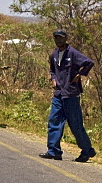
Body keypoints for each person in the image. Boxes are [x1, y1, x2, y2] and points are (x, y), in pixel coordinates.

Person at [40, 30, 96, 162]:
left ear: (66, 38)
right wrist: (53, 78)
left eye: (61, 38)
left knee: (75, 125)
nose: (58, 40)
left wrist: (79, 74)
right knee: (54, 121)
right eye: (56, 38)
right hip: (59, 93)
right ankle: (54, 151)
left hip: (71, 94)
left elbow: (89, 62)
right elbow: (52, 70)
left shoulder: (73, 53)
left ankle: (87, 151)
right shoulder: (54, 54)